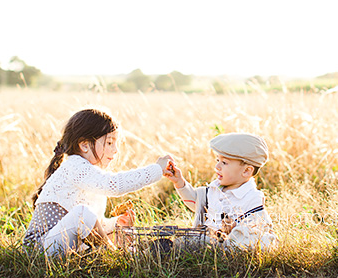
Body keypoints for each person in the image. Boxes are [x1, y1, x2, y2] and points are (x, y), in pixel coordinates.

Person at [23, 107, 173, 256]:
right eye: (109, 143)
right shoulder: (74, 165)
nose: (115, 150)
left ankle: (132, 251)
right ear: (85, 145)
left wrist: (115, 223)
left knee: (115, 232)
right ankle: (118, 256)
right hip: (39, 248)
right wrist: (156, 170)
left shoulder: (90, 175)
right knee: (82, 214)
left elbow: (92, 225)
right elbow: (114, 186)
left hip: (62, 245)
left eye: (116, 144)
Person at [165, 132, 278, 249]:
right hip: (206, 241)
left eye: (224, 163)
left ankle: (169, 250)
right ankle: (161, 250)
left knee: (184, 244)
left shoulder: (252, 198)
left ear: (246, 171)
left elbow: (255, 230)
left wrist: (234, 228)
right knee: (182, 242)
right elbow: (195, 202)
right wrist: (179, 182)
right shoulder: (216, 189)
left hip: (227, 246)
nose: (217, 167)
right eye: (217, 160)